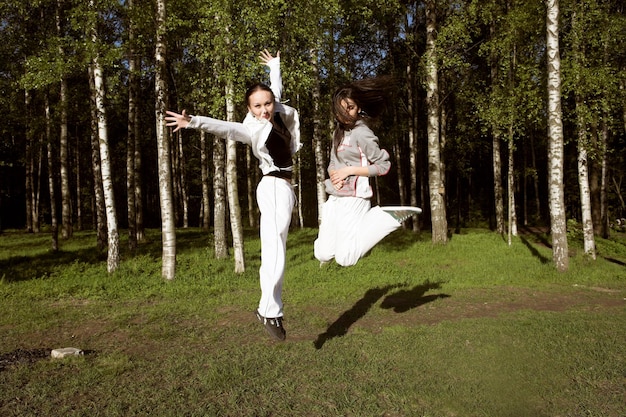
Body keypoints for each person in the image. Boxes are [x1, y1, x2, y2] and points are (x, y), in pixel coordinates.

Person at [165, 50, 300, 341]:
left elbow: (275, 91)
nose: (264, 110)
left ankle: (269, 309)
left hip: (285, 188)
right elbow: (226, 129)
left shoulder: (276, 111)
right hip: (273, 186)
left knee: (277, 250)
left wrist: (275, 66)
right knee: (275, 249)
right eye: (257, 106)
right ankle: (269, 311)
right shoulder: (252, 129)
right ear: (249, 109)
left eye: (267, 104)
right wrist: (194, 122)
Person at [314, 76, 422, 267]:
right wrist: (334, 175)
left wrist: (349, 171)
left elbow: (383, 166)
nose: (346, 114)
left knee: (345, 258)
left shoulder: (362, 132)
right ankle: (368, 228)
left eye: (351, 108)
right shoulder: (338, 133)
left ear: (358, 108)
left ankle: (385, 217)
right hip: (335, 196)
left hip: (355, 197)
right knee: (323, 254)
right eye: (342, 109)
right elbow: (332, 162)